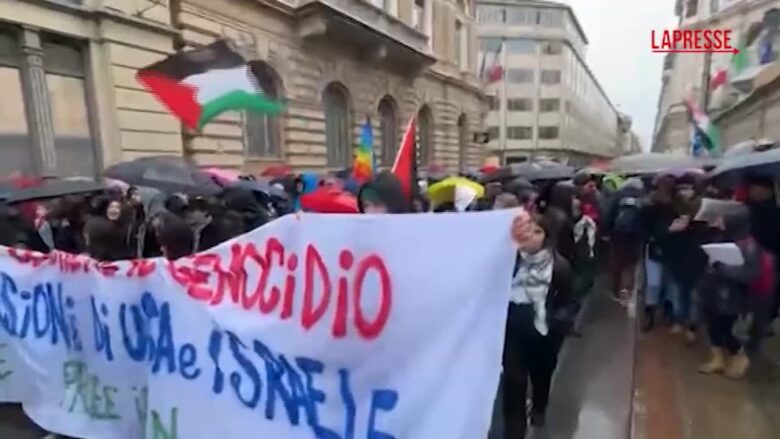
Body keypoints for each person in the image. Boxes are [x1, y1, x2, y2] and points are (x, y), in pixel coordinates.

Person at [503, 212, 574, 437]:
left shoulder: (559, 267)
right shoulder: (508, 262)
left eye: (538, 231)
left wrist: (558, 322)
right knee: (514, 381)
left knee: (541, 374)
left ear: (546, 236)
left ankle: (539, 407)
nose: (531, 236)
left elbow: (568, 301)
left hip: (545, 334)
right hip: (513, 332)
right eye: (528, 230)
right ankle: (514, 429)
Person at [698, 206, 762, 379]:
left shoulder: (749, 246)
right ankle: (717, 359)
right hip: (713, 291)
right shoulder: (722, 238)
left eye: (724, 220)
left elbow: (749, 274)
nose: (720, 222)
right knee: (713, 327)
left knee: (727, 330)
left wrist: (721, 267)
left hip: (731, 296)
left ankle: (739, 357)